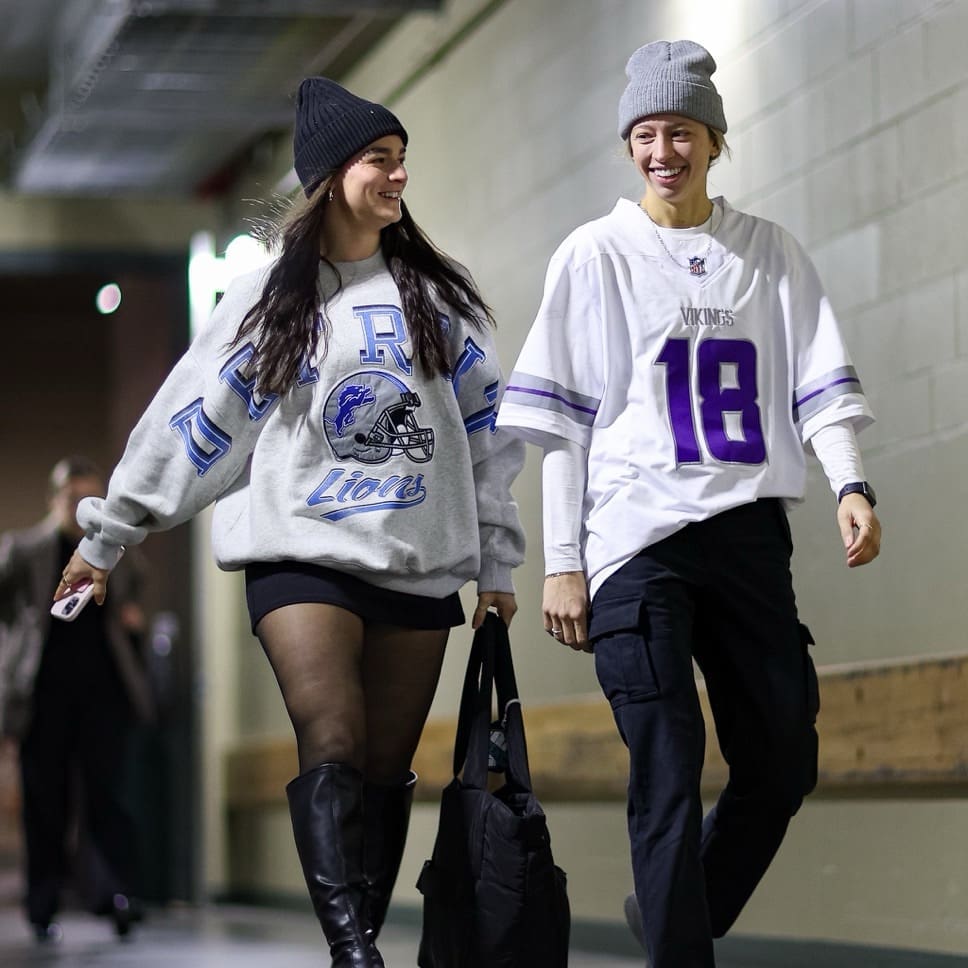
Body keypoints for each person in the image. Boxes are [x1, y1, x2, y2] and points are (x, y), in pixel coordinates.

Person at [57, 77, 525, 968]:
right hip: (300, 554)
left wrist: (496, 564)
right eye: (380, 161)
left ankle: (361, 942)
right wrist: (107, 536)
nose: (397, 178)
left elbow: (489, 443)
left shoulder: (436, 299)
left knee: (385, 774)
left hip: (416, 562)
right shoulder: (270, 295)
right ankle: (354, 952)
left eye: (401, 162)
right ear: (332, 176)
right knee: (334, 739)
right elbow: (192, 424)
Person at [496, 39, 881, 968]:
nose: (662, 150)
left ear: (714, 141)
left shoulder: (771, 253)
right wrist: (562, 562)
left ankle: (679, 911)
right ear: (630, 145)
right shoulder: (594, 255)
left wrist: (851, 481)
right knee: (665, 768)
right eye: (645, 133)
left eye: (680, 132)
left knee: (783, 763)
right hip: (635, 546)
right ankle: (681, 956)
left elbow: (819, 390)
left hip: (747, 534)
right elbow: (562, 425)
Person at [0, 456, 153, 942]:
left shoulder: (114, 549)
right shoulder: (23, 550)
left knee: (108, 797)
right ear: (55, 498)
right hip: (41, 694)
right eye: (72, 497)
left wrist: (132, 619)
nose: (80, 507)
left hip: (103, 691)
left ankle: (115, 896)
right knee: (45, 801)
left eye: (91, 498)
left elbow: (134, 590)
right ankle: (42, 904)